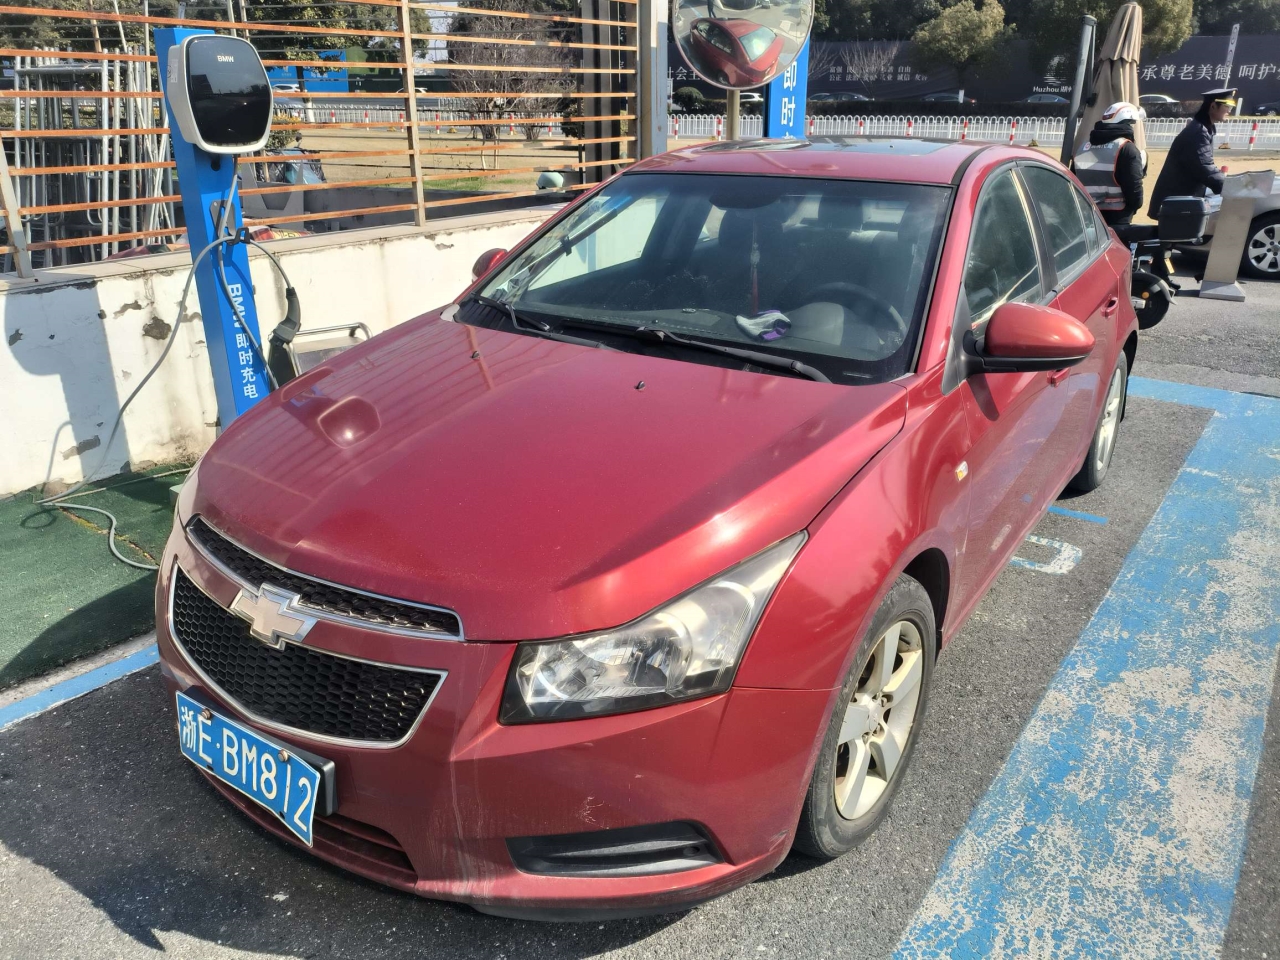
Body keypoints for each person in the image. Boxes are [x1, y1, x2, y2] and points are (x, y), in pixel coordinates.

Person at [1147, 87, 1235, 219]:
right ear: (1213, 106)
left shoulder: (1204, 128)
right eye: (1227, 106)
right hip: (1177, 205)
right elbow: (1205, 168)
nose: (1229, 111)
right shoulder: (1198, 133)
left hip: (1180, 203)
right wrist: (1231, 188)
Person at [1075, 102, 1146, 226]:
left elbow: (1075, 178)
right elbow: (1134, 190)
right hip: (1117, 217)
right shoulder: (1126, 148)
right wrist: (1133, 207)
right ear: (1127, 123)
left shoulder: (1084, 147)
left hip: (1086, 214)